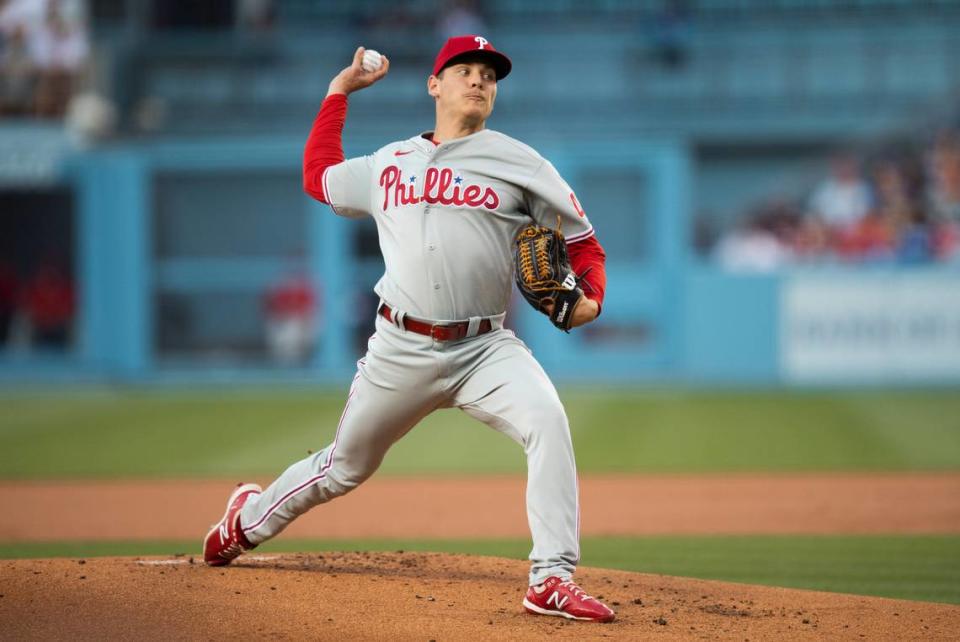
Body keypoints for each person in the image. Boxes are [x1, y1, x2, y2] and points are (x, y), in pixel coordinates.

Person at [203, 35, 614, 623]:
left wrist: (591, 300)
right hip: (401, 347)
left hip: (484, 347)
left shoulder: (522, 163)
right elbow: (318, 176)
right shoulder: (390, 162)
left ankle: (551, 577)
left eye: (489, 76)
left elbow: (583, 242)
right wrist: (338, 92)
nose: (478, 81)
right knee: (343, 468)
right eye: (465, 70)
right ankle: (245, 521)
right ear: (434, 85)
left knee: (548, 420)